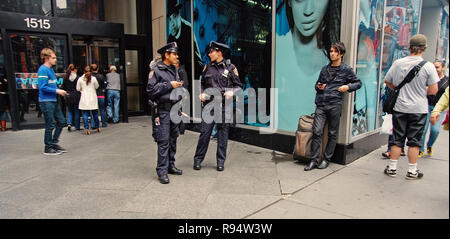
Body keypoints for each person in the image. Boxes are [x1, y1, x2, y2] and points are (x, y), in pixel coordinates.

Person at [276, 0, 341, 132]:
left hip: (317, 131)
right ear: (289, 2)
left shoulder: (333, 59)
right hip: (283, 132)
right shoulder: (277, 48)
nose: (308, 11)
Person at [383, 34, 439, 180]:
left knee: (397, 138)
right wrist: (421, 90)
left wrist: (398, 89)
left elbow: (388, 81)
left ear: (409, 47)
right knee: (414, 141)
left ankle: (392, 168)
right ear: (424, 48)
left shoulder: (398, 63)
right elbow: (433, 90)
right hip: (419, 109)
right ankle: (412, 171)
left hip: (400, 107)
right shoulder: (428, 66)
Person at [304, 42, 362, 171]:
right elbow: (317, 84)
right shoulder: (325, 69)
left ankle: (326, 159)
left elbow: (358, 83)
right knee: (317, 131)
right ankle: (314, 160)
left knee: (332, 133)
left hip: (334, 104)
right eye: (330, 51)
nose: (332, 54)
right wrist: (319, 86)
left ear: (341, 54)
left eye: (335, 51)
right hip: (321, 104)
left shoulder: (346, 70)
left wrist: (347, 87)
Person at [193, 41, 243, 171]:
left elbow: (239, 86)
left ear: (219, 52)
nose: (209, 54)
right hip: (210, 104)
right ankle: (198, 159)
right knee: (204, 133)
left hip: (224, 105)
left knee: (222, 134)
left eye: (211, 52)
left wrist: (232, 92)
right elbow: (201, 83)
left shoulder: (231, 68)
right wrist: (201, 93)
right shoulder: (207, 67)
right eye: (209, 52)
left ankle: (220, 162)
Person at [147, 42, 184, 184]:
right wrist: (169, 85)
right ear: (166, 55)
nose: (176, 56)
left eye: (176, 54)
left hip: (174, 109)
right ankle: (161, 171)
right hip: (162, 110)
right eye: (174, 54)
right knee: (163, 140)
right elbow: (150, 91)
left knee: (173, 138)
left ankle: (170, 165)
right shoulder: (156, 70)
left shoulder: (174, 69)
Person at [37, 48, 68, 155]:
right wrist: (57, 90)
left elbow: (50, 84)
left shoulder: (50, 70)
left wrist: (58, 90)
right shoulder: (43, 69)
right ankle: (48, 147)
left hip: (53, 100)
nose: (56, 60)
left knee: (62, 121)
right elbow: (42, 87)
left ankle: (53, 143)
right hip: (46, 101)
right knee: (50, 125)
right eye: (53, 58)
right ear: (46, 58)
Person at [167, 0, 203, 83]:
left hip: (192, 77)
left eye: (174, 17)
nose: (172, 23)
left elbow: (197, 61)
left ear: (179, 16)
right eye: (170, 19)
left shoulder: (188, 29)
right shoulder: (170, 38)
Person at [418, 60, 449, 157]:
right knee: (423, 129)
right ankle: (421, 149)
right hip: (426, 106)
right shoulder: (428, 78)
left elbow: (446, 97)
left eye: (437, 67)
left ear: (443, 68)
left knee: (435, 130)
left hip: (439, 109)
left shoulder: (447, 80)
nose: (435, 69)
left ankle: (430, 145)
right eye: (434, 67)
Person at [77, 66, 100, 135]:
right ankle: (97, 127)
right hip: (92, 98)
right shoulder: (94, 79)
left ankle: (86, 129)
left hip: (84, 98)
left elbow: (78, 88)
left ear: (84, 72)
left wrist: (82, 90)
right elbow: (97, 86)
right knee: (95, 114)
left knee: (85, 114)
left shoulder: (80, 79)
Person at [62, 64, 81, 131]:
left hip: (68, 95)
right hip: (76, 95)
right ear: (75, 70)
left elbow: (63, 87)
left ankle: (69, 123)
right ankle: (77, 126)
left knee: (69, 110)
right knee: (76, 111)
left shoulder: (66, 78)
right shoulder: (78, 78)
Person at [91, 63, 108, 128]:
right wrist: (103, 90)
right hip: (101, 95)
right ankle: (104, 123)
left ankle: (93, 124)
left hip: (93, 95)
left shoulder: (90, 77)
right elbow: (105, 85)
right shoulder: (101, 76)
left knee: (93, 110)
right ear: (97, 69)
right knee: (102, 110)